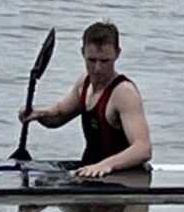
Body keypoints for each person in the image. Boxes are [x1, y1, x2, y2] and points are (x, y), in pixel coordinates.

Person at [20, 21, 152, 177]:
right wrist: (37, 114)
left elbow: (143, 149)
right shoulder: (84, 83)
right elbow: (60, 114)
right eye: (91, 60)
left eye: (104, 61)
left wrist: (106, 165)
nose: (97, 68)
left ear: (117, 54)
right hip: (91, 173)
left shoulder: (123, 93)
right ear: (82, 52)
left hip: (124, 179)